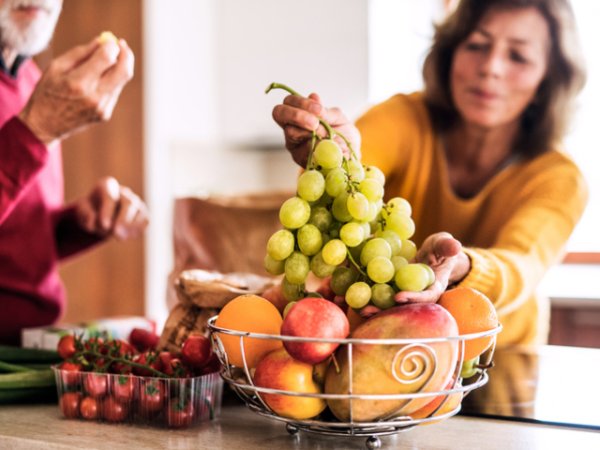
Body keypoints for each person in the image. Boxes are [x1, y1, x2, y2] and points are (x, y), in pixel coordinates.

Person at [271, 0, 588, 347]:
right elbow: (352, 172)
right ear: (450, 52)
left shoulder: (560, 177)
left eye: (519, 57)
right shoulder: (403, 118)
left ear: (548, 78)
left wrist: (461, 267)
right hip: (385, 343)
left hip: (497, 357)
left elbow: (522, 265)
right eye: (477, 45)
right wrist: (332, 156)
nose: (491, 67)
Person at [0, 0, 148, 345]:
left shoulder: (32, 81)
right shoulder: (44, 105)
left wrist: (79, 224)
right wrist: (36, 130)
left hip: (27, 350)